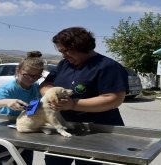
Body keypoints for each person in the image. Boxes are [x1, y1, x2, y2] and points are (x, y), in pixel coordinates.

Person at [40, 27, 129, 165]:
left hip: (97, 132)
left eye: (66, 51)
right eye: (61, 51)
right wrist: (51, 95)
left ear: (81, 46)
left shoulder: (108, 67)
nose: (63, 55)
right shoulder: (65, 64)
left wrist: (73, 104)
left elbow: (114, 99)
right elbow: (46, 85)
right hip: (63, 129)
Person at [0, 51, 44, 165]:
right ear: (18, 71)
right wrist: (7, 101)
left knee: (25, 161)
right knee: (8, 162)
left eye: (36, 76)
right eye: (27, 75)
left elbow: (38, 104)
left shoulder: (35, 87)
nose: (31, 79)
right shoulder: (9, 88)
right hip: (7, 133)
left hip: (26, 131)